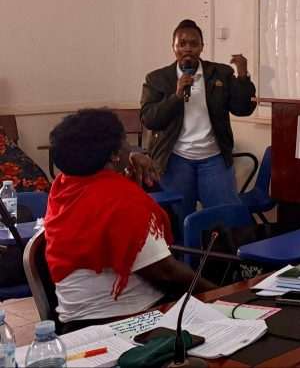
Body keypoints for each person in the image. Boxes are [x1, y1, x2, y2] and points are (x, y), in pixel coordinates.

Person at [45, 109, 216, 332]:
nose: (132, 147)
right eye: (125, 139)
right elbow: (164, 273)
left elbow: (110, 220)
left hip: (74, 321)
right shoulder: (121, 199)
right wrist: (221, 294)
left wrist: (127, 162)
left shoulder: (63, 185)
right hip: (125, 320)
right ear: (114, 153)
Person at [140, 19, 256, 221]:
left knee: (225, 218)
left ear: (202, 47)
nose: (188, 49)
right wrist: (176, 96)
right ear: (174, 47)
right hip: (174, 160)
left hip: (213, 158)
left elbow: (242, 109)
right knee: (176, 219)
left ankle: (217, 253)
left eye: (194, 44)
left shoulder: (220, 73)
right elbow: (149, 119)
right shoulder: (157, 79)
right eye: (182, 44)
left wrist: (243, 77)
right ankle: (185, 254)